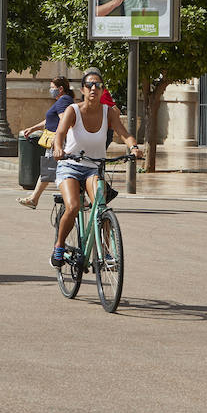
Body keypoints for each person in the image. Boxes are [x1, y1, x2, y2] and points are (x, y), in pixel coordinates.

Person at [50, 70, 140, 267]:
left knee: (101, 207)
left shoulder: (110, 112)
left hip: (94, 168)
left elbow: (124, 134)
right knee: (73, 206)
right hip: (70, 166)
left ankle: (106, 253)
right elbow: (60, 134)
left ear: (102, 90)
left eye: (98, 85)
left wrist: (133, 147)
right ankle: (59, 245)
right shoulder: (73, 111)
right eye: (89, 85)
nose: (93, 89)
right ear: (83, 90)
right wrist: (58, 149)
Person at [17, 77, 75, 209]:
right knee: (49, 171)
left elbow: (64, 120)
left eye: (52, 88)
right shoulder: (63, 101)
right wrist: (33, 128)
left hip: (58, 142)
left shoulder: (63, 101)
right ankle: (34, 198)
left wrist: (58, 138)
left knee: (51, 170)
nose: (50, 90)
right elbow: (49, 121)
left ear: (60, 89)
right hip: (58, 140)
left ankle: (34, 199)